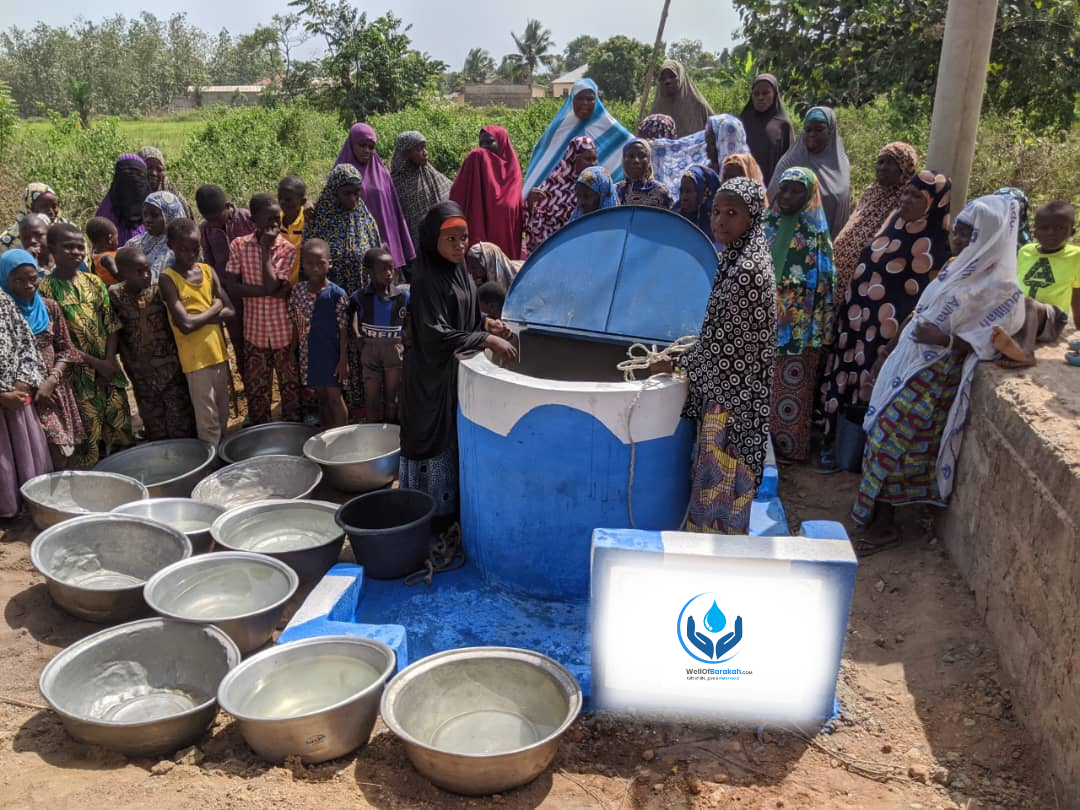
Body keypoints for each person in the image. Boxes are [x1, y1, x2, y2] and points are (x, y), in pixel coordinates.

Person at [852, 195, 1025, 555]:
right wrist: (891, 345)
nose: (959, 241)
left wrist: (943, 339)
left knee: (894, 444)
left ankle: (886, 527)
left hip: (935, 377)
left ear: (990, 236)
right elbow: (922, 310)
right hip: (909, 364)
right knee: (882, 436)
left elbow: (990, 340)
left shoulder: (1001, 289)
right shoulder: (955, 267)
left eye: (968, 235)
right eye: (958, 233)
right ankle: (877, 518)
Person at [648, 177, 777, 533]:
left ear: (751, 217)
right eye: (717, 211)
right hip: (731, 393)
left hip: (732, 404)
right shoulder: (739, 257)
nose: (720, 220)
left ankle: (715, 561)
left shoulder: (747, 273)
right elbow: (719, 337)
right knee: (720, 487)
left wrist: (672, 362)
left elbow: (723, 352)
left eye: (732, 213)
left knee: (721, 488)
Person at [820, 170, 952, 464]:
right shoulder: (892, 222)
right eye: (905, 191)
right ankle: (833, 443)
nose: (906, 199)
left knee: (870, 384)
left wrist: (893, 337)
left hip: (885, 332)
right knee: (843, 378)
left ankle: (857, 455)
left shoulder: (934, 243)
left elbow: (923, 299)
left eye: (917, 195)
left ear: (935, 202)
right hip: (857, 320)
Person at [399, 201, 518, 523]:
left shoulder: (459, 272)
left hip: (452, 375)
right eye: (450, 238)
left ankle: (451, 513)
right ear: (432, 240)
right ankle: (427, 515)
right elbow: (433, 332)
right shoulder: (425, 279)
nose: (459, 245)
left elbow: (459, 312)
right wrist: (486, 339)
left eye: (463, 238)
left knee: (453, 439)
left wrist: (485, 323)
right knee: (431, 441)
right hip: (428, 379)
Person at [38, 222, 133, 466]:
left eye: (80, 247)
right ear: (52, 249)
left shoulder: (93, 282)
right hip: (78, 378)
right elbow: (58, 341)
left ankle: (132, 480)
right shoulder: (45, 291)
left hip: (109, 372)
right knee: (89, 441)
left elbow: (111, 324)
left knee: (121, 428)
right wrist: (96, 364)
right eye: (68, 247)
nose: (76, 252)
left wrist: (109, 362)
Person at [763, 167, 836, 461]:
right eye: (785, 189)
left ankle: (787, 451)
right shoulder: (765, 226)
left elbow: (826, 286)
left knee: (790, 390)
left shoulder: (817, 236)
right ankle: (756, 447)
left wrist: (820, 330)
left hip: (798, 330)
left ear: (809, 196)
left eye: (797, 191)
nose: (789, 196)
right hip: (761, 323)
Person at [305, 164, 384, 415]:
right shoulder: (321, 219)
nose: (353, 199)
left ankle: (362, 401)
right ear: (334, 192)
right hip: (331, 301)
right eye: (346, 193)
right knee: (336, 348)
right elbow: (308, 256)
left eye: (357, 193)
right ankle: (339, 401)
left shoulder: (365, 219)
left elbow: (375, 256)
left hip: (361, 299)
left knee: (360, 346)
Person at [1, 250, 83, 469]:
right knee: (34, 454)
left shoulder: (49, 307)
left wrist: (52, 379)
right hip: (22, 396)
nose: (28, 285)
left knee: (62, 449)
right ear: (4, 280)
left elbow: (66, 349)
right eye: (18, 280)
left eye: (32, 278)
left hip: (52, 391)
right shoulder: (6, 313)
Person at [226, 193, 300, 426]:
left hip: (283, 333)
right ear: (254, 219)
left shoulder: (286, 249)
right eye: (268, 220)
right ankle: (261, 433)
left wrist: (266, 250)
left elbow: (269, 284)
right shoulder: (239, 245)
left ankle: (292, 431)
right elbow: (231, 287)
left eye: (276, 220)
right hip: (254, 332)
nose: (274, 225)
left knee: (289, 389)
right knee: (258, 390)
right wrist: (268, 291)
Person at [160, 218, 236, 445]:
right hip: (195, 361)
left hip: (218, 354)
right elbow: (185, 324)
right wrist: (214, 308)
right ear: (171, 245)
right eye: (184, 248)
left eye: (195, 248)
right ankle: (212, 467)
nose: (191, 253)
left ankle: (223, 460)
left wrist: (199, 316)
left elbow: (230, 310)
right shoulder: (168, 279)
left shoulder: (207, 271)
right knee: (208, 421)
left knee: (223, 414)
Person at [108, 246, 196, 441]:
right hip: (140, 371)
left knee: (179, 416)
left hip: (170, 368)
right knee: (152, 417)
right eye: (139, 271)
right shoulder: (115, 296)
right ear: (122, 273)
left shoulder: (158, 291)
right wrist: (128, 362)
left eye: (148, 269)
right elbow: (118, 331)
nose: (146, 275)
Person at [832, 143, 918, 298]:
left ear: (904, 168)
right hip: (839, 273)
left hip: (868, 279)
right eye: (880, 162)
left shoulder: (906, 202)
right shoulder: (871, 192)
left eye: (890, 163)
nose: (882, 167)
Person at [196, 183, 257, 405]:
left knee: (260, 345)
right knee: (239, 346)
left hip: (257, 295)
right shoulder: (205, 230)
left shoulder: (248, 218)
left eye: (217, 216)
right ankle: (252, 394)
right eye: (208, 218)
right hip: (231, 297)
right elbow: (211, 266)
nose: (214, 222)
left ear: (226, 206)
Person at [523, 78, 633, 196]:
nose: (584, 103)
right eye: (579, 98)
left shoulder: (610, 128)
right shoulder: (559, 130)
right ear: (572, 100)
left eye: (590, 99)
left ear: (596, 101)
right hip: (561, 202)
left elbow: (633, 148)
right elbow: (543, 161)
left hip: (599, 201)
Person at [0, 280, 51, 517]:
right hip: (5, 397)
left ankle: (28, 505)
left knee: (24, 453)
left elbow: (25, 343)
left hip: (17, 397)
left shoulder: (3, 300)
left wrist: (24, 378)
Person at [335, 123, 416, 272]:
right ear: (352, 144)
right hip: (352, 249)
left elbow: (392, 213)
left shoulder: (382, 173)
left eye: (371, 146)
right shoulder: (340, 173)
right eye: (362, 145)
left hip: (384, 248)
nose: (367, 150)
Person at [289, 239, 349, 430]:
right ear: (302, 264)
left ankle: (342, 437)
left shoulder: (337, 294)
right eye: (309, 264)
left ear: (329, 264)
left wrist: (343, 360)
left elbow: (344, 329)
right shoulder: (298, 291)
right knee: (321, 396)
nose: (315, 268)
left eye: (320, 263)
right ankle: (326, 435)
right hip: (309, 353)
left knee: (334, 396)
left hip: (331, 354)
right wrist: (293, 350)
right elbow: (297, 322)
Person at [767, 107, 851, 237]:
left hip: (826, 241)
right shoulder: (789, 162)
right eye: (808, 129)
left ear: (830, 131)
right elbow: (770, 202)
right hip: (787, 241)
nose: (812, 134)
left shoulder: (840, 164)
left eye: (819, 129)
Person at [449, 126, 524, 260]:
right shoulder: (477, 159)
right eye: (481, 143)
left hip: (504, 234)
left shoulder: (512, 170)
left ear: (502, 143)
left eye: (489, 142)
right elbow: (457, 195)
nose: (484, 147)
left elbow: (512, 206)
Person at [352, 248, 408, 424]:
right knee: (371, 397)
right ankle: (372, 432)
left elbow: (411, 319)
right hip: (370, 349)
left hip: (394, 349)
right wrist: (357, 336)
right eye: (383, 269)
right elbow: (352, 317)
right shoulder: (360, 297)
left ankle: (390, 432)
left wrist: (406, 340)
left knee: (392, 397)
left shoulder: (403, 297)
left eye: (391, 268)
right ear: (370, 272)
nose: (389, 273)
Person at [523, 136, 597, 254]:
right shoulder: (553, 186)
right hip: (554, 251)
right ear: (573, 158)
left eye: (594, 159)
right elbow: (536, 222)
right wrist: (531, 204)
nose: (593, 164)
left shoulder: (598, 187)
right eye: (587, 159)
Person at [651, 114, 750, 198]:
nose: (706, 150)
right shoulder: (704, 175)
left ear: (725, 144)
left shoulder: (746, 184)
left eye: (711, 145)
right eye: (705, 143)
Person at [390, 131, 452, 264]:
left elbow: (450, 192)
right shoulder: (395, 183)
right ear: (405, 153)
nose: (425, 152)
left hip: (437, 240)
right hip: (412, 245)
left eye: (425, 147)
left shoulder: (431, 174)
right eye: (418, 149)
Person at [1016, 201, 1079, 327]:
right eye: (1044, 228)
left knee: (1029, 305)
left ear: (1071, 232)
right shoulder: (1025, 251)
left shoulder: (1076, 256)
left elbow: (1077, 294)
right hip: (1020, 315)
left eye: (1059, 228)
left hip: (1052, 320)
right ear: (1035, 232)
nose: (1051, 232)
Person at [738, 74, 796, 186]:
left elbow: (790, 161)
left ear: (775, 95)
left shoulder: (783, 125)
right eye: (756, 94)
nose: (760, 97)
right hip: (743, 187)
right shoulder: (743, 121)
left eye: (765, 93)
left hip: (772, 188)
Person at [123, 190, 186, 280]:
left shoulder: (177, 248)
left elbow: (154, 281)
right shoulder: (139, 241)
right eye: (145, 214)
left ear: (169, 215)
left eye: (154, 215)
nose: (148, 220)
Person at [1, 182, 73, 254]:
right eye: (44, 206)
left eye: (54, 206)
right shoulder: (9, 241)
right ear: (29, 208)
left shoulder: (69, 230)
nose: (51, 211)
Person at [649, 59, 713, 139]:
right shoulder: (655, 113)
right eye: (663, 79)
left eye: (672, 76)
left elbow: (716, 135)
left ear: (681, 77)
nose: (667, 81)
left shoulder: (698, 106)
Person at [95, 154, 150, 245]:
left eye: (138, 174)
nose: (132, 179)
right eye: (127, 173)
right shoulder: (104, 214)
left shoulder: (154, 212)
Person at [138, 146, 194, 219]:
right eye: (149, 167)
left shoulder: (173, 197)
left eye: (159, 169)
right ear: (138, 169)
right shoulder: (130, 196)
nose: (154, 173)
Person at [616, 138, 674, 208]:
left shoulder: (660, 192)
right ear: (623, 160)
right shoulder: (615, 191)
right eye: (631, 156)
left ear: (649, 160)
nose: (636, 161)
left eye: (642, 156)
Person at [673, 164, 721, 235]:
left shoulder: (714, 224)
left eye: (689, 191)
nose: (683, 197)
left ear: (702, 193)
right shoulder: (674, 217)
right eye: (681, 191)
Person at [277, 176, 307, 284]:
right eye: (279, 198)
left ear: (302, 202)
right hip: (280, 282)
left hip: (301, 283)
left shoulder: (308, 219)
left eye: (288, 199)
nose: (282, 202)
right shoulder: (276, 220)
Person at [86, 217, 121, 285]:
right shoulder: (107, 258)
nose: (118, 242)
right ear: (110, 238)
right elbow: (118, 276)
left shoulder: (94, 256)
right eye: (117, 238)